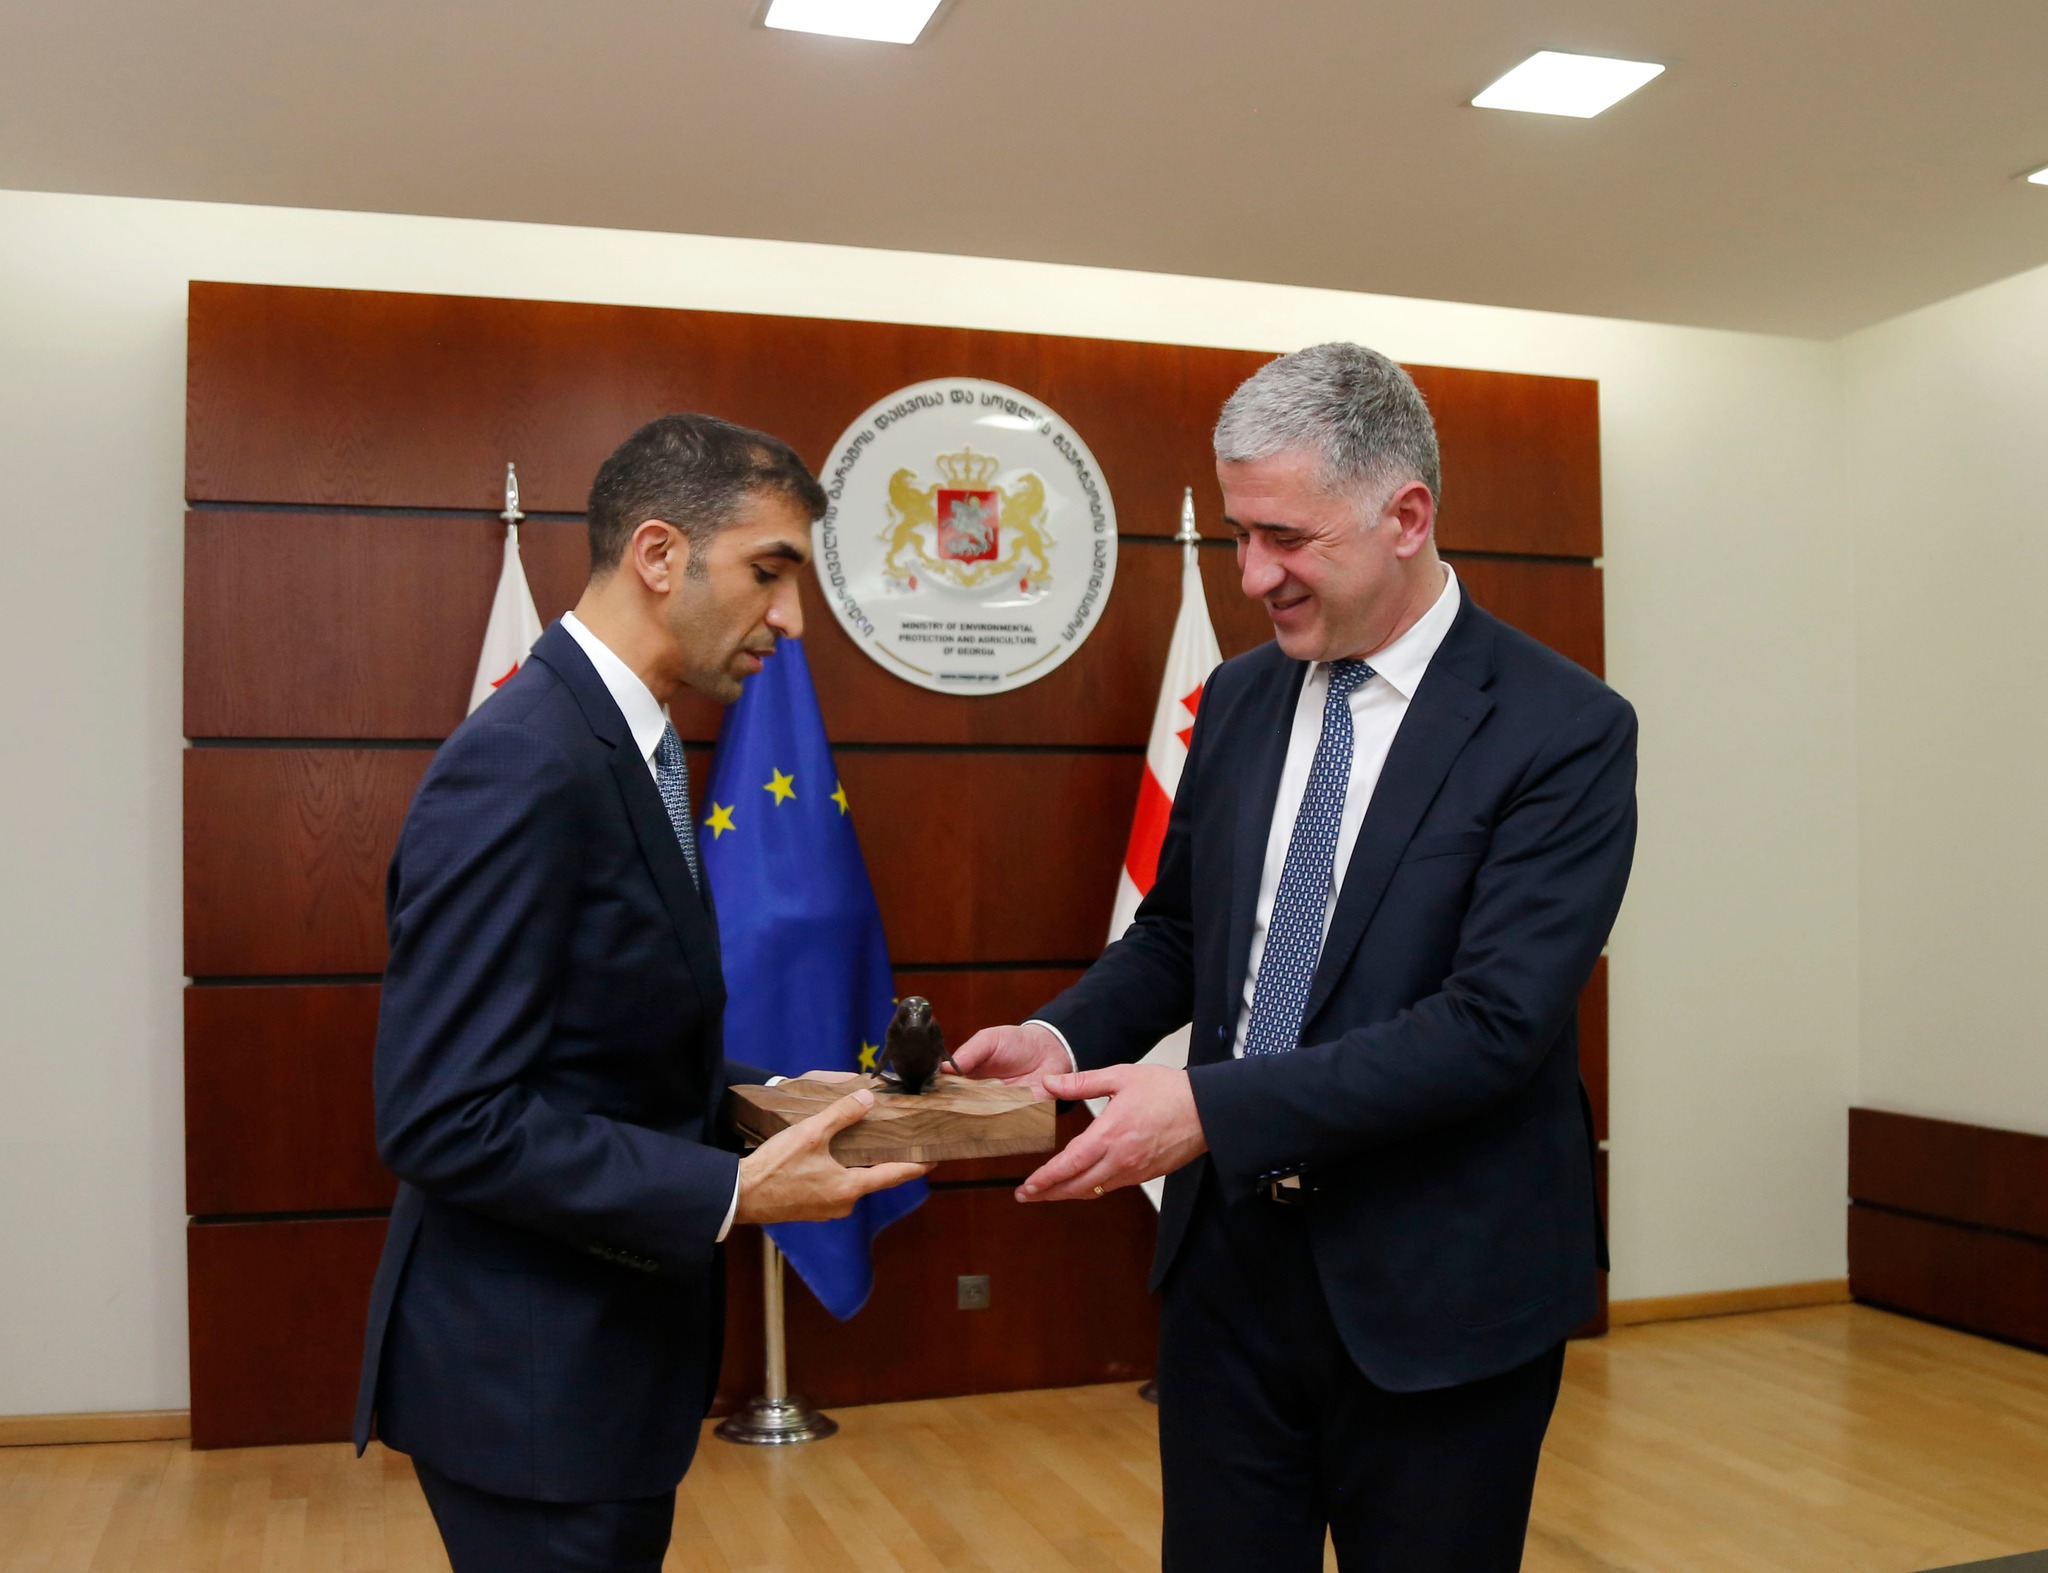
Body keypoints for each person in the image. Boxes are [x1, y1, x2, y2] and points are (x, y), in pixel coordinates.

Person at [953, 344, 1636, 1571]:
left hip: (1436, 1293)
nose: (1252, 574)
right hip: (1226, 1276)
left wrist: (1208, 1107)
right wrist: (1056, 1036)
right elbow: (1179, 931)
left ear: (1404, 518)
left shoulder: (1562, 728)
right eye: (1237, 533)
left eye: (1284, 537)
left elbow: (1492, 1023)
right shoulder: (1237, 699)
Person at [352, 414, 928, 1573]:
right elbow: (442, 1115)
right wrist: (730, 1189)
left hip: (596, 1375)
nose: (791, 620)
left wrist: (779, 1091)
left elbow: (598, 1047)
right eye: (769, 573)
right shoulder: (525, 759)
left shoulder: (624, 742)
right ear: (659, 555)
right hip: (530, 1388)